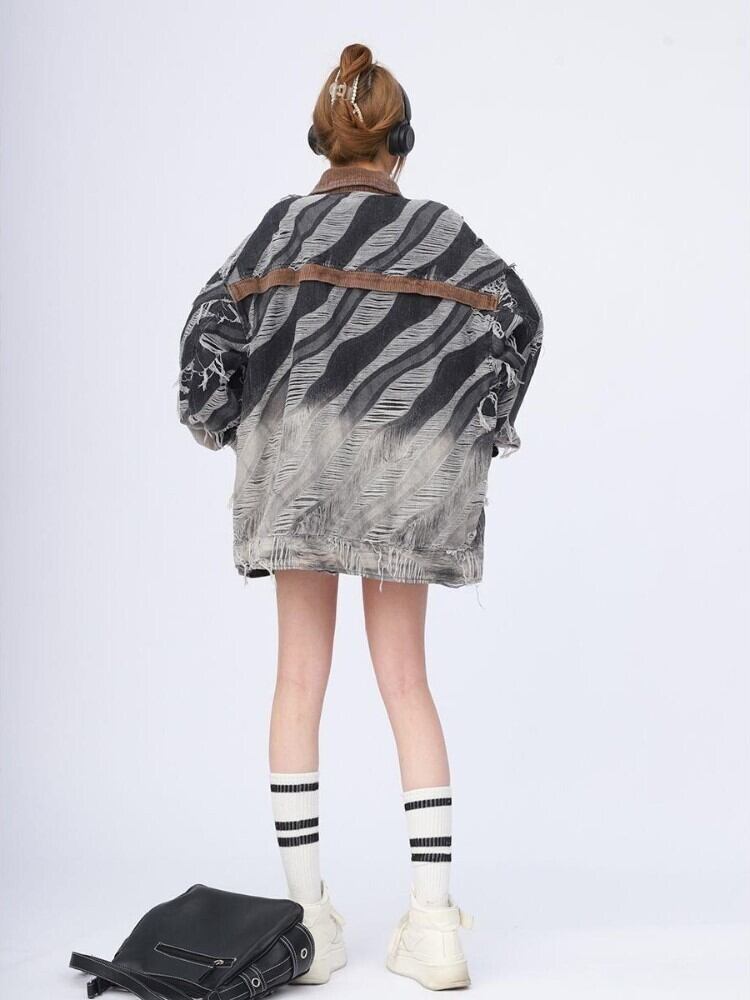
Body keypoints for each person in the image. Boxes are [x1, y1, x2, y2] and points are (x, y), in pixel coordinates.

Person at [177, 42, 543, 992]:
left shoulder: (276, 231)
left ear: (321, 141)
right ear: (401, 144)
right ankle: (435, 925)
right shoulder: (445, 234)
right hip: (406, 486)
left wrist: (225, 423)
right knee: (406, 682)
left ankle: (307, 924)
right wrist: (478, 425)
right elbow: (520, 317)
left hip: (299, 475)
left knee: (299, 677)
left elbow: (206, 336)